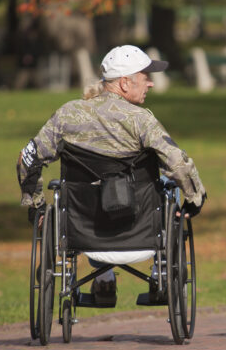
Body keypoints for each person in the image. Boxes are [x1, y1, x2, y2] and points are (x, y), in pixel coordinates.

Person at [17, 44, 207, 303]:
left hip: (82, 229)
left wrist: (36, 206)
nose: (150, 84)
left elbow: (27, 159)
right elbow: (178, 162)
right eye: (145, 78)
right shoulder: (142, 121)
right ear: (125, 83)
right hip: (140, 230)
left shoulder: (68, 114)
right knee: (169, 187)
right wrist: (195, 199)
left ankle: (103, 278)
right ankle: (159, 271)